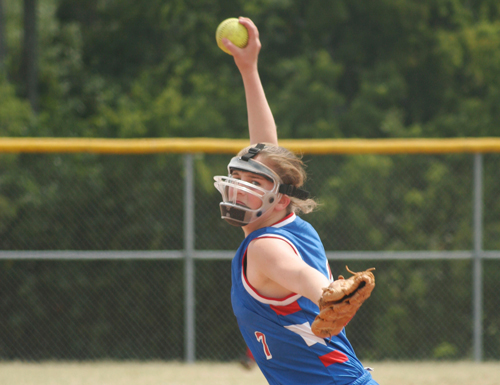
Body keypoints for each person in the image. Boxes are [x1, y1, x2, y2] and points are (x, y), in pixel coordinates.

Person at [213, 17, 379, 385]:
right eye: (237, 177)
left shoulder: (264, 247)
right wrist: (248, 68)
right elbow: (267, 147)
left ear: (280, 199)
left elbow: (296, 273)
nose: (239, 187)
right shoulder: (291, 226)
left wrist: (327, 292)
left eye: (253, 182)